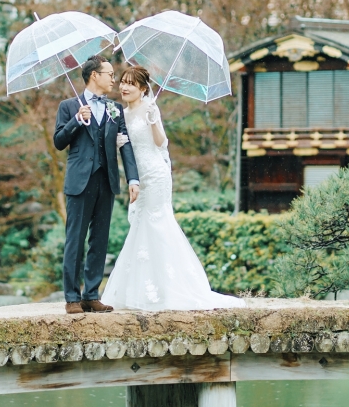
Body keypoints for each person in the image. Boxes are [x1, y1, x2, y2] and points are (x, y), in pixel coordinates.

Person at [101, 66, 245, 311]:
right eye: (123, 82)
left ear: (143, 88)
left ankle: (170, 287)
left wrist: (154, 121)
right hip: (137, 176)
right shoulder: (120, 114)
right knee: (140, 226)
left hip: (156, 174)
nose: (124, 87)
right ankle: (143, 288)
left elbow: (160, 143)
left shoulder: (150, 108)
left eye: (130, 84)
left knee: (157, 222)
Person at [53, 56, 140, 315]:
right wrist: (77, 120)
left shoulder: (115, 109)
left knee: (100, 240)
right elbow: (58, 141)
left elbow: (125, 144)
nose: (114, 79)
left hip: (107, 180)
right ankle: (71, 297)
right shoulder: (68, 106)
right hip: (79, 182)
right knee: (75, 240)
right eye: (110, 74)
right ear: (94, 76)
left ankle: (91, 295)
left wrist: (132, 178)